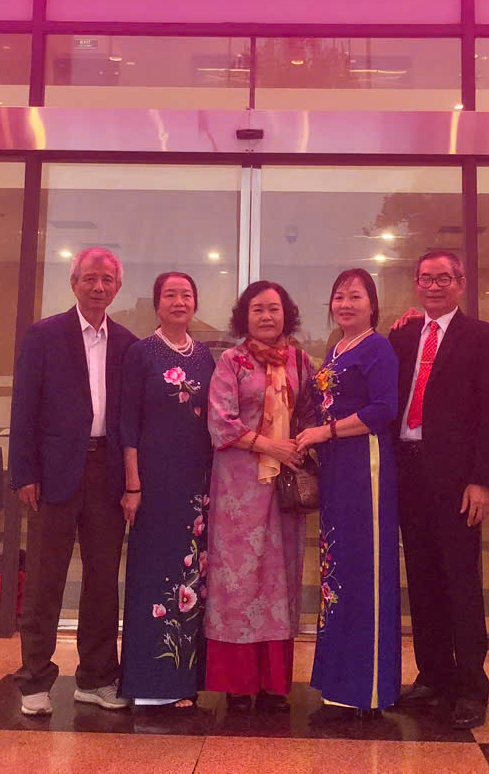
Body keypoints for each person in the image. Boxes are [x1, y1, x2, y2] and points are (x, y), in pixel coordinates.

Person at [9, 247, 136, 716]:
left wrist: (133, 480)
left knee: (102, 581)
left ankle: (97, 677)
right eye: (90, 278)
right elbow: (24, 407)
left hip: (107, 473)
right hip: (53, 473)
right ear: (74, 283)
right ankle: (35, 680)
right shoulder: (44, 336)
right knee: (45, 579)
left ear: (117, 287)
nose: (98, 287)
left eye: (107, 280)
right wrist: (24, 472)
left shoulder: (127, 343)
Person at [388, 249, 489, 730]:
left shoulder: (484, 338)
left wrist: (483, 481)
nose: (434, 286)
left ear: (460, 283)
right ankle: (433, 675)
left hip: (458, 480)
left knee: (461, 582)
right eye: (426, 279)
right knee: (421, 578)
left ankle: (471, 687)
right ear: (416, 284)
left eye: (443, 278)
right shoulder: (402, 336)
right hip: (408, 471)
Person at [204, 280, 313, 713]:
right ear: (244, 318)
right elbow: (220, 423)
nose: (267, 316)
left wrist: (301, 445)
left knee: (279, 580)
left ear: (287, 314)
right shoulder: (232, 362)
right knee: (239, 582)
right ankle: (238, 684)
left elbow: (312, 414)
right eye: (257, 310)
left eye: (273, 309)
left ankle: (273, 684)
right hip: (239, 488)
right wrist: (272, 446)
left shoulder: (301, 361)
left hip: (285, 488)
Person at [296, 268, 401, 718]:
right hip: (337, 468)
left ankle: (366, 687)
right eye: (339, 296)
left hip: (366, 468)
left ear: (372, 305)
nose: (345, 304)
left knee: (364, 570)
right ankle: (338, 679)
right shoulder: (336, 349)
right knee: (336, 572)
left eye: (355, 296)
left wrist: (326, 432)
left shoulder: (378, 347)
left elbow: (383, 409)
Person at [118, 271, 215, 709]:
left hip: (197, 485)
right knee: (152, 575)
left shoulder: (206, 356)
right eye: (170, 295)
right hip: (154, 485)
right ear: (157, 304)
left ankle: (184, 682)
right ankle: (149, 683)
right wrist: (133, 484)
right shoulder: (141, 353)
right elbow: (128, 423)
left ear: (195, 303)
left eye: (186, 294)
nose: (179, 301)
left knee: (193, 577)